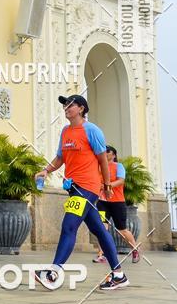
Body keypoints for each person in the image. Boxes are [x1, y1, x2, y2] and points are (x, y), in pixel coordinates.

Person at [35, 94, 129, 291]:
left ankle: (53, 273)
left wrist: (107, 184)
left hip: (88, 188)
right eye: (65, 105)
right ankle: (119, 275)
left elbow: (103, 160)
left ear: (81, 109)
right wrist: (46, 170)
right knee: (99, 230)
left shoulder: (92, 130)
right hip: (74, 188)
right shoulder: (65, 132)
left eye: (70, 105)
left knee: (69, 226)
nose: (66, 108)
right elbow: (60, 158)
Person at [94, 146, 140, 264]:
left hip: (117, 202)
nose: (105, 152)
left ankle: (134, 249)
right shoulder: (99, 165)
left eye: (108, 151)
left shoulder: (119, 166)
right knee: (102, 228)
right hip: (102, 202)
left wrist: (106, 187)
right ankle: (101, 254)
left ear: (114, 155)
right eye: (104, 150)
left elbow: (121, 181)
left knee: (122, 229)